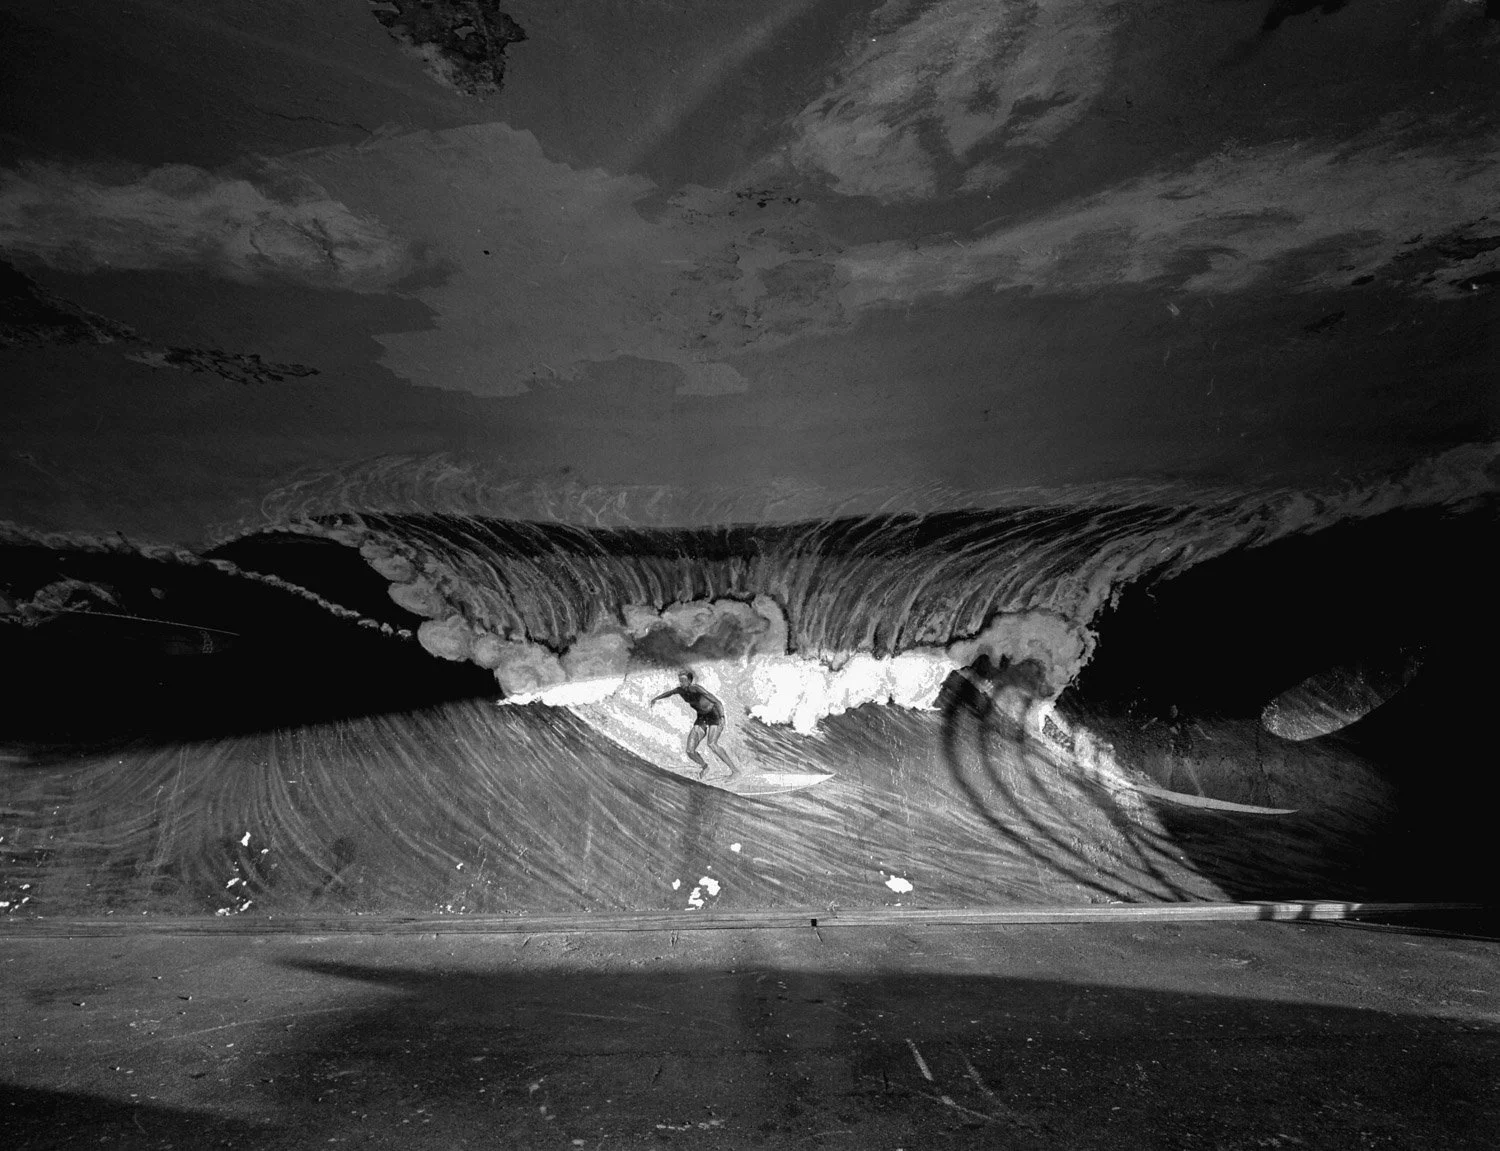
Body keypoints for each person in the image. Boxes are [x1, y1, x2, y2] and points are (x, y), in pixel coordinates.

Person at [650, 671, 738, 779]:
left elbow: (717, 702)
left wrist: (722, 717)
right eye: (680, 681)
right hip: (701, 717)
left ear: (690, 681)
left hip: (714, 715)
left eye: (683, 681)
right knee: (690, 750)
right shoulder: (680, 690)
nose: (681, 683)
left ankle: (735, 771)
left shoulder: (697, 689)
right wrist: (655, 699)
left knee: (712, 744)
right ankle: (705, 766)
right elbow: (669, 693)